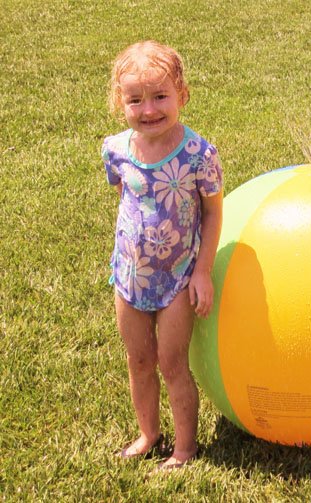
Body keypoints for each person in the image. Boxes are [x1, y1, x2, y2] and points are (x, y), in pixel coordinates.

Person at [102, 40, 223, 471]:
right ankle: (149, 434)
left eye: (160, 97)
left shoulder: (198, 155)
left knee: (173, 364)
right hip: (131, 276)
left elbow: (212, 212)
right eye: (135, 100)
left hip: (176, 277)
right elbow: (126, 197)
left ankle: (185, 449)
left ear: (182, 96)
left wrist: (202, 272)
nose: (149, 109)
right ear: (121, 103)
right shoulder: (116, 150)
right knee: (139, 361)